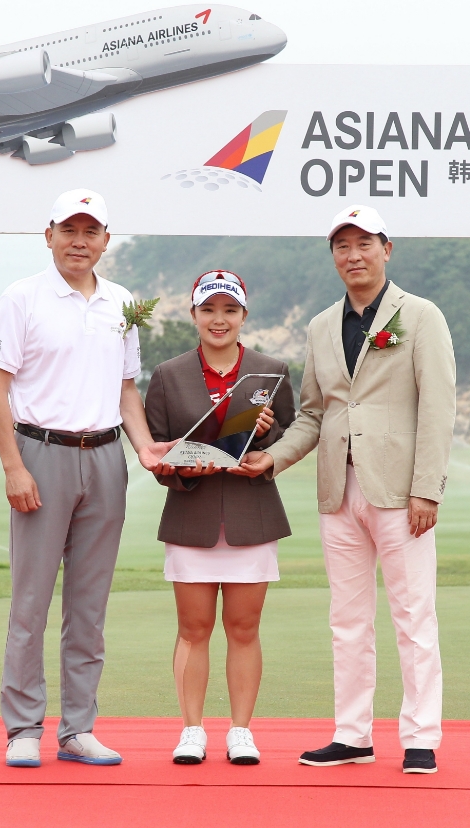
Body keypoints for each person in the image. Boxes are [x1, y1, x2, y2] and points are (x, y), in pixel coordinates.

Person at [237, 206, 456, 773]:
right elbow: (313, 414)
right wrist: (271, 458)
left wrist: (427, 489)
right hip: (338, 490)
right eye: (342, 245)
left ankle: (420, 737)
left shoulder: (421, 316)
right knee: (348, 619)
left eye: (364, 243)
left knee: (413, 615)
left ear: (388, 249)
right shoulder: (320, 325)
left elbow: (437, 408)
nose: (353, 255)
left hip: (400, 492)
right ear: (332, 255)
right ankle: (353, 734)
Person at [0, 188, 176, 769]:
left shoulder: (120, 303)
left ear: (105, 242)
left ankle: (78, 730)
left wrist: (144, 448)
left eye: (91, 232)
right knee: (31, 602)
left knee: (89, 608)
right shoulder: (22, 298)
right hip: (40, 455)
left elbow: (125, 390)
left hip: (105, 460)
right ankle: (22, 729)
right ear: (49, 235)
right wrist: (13, 466)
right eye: (70, 230)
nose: (79, 241)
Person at [144, 270, 296, 765]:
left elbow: (287, 438)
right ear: (193, 315)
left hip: (252, 516)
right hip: (193, 516)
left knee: (244, 627)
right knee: (193, 628)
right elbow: (158, 453)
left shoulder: (271, 371)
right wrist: (181, 469)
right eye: (208, 310)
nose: (218, 320)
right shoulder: (168, 375)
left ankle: (241, 731)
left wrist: (267, 442)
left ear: (244, 316)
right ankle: (191, 730)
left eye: (229, 310)